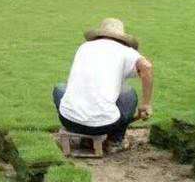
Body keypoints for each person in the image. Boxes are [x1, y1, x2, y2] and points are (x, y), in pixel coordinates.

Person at [53, 18, 153, 151]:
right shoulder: (126, 52)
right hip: (103, 126)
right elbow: (146, 67)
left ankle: (78, 135)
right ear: (122, 38)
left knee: (60, 88)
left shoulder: (84, 47)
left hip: (68, 120)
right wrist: (146, 104)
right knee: (129, 94)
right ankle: (115, 141)